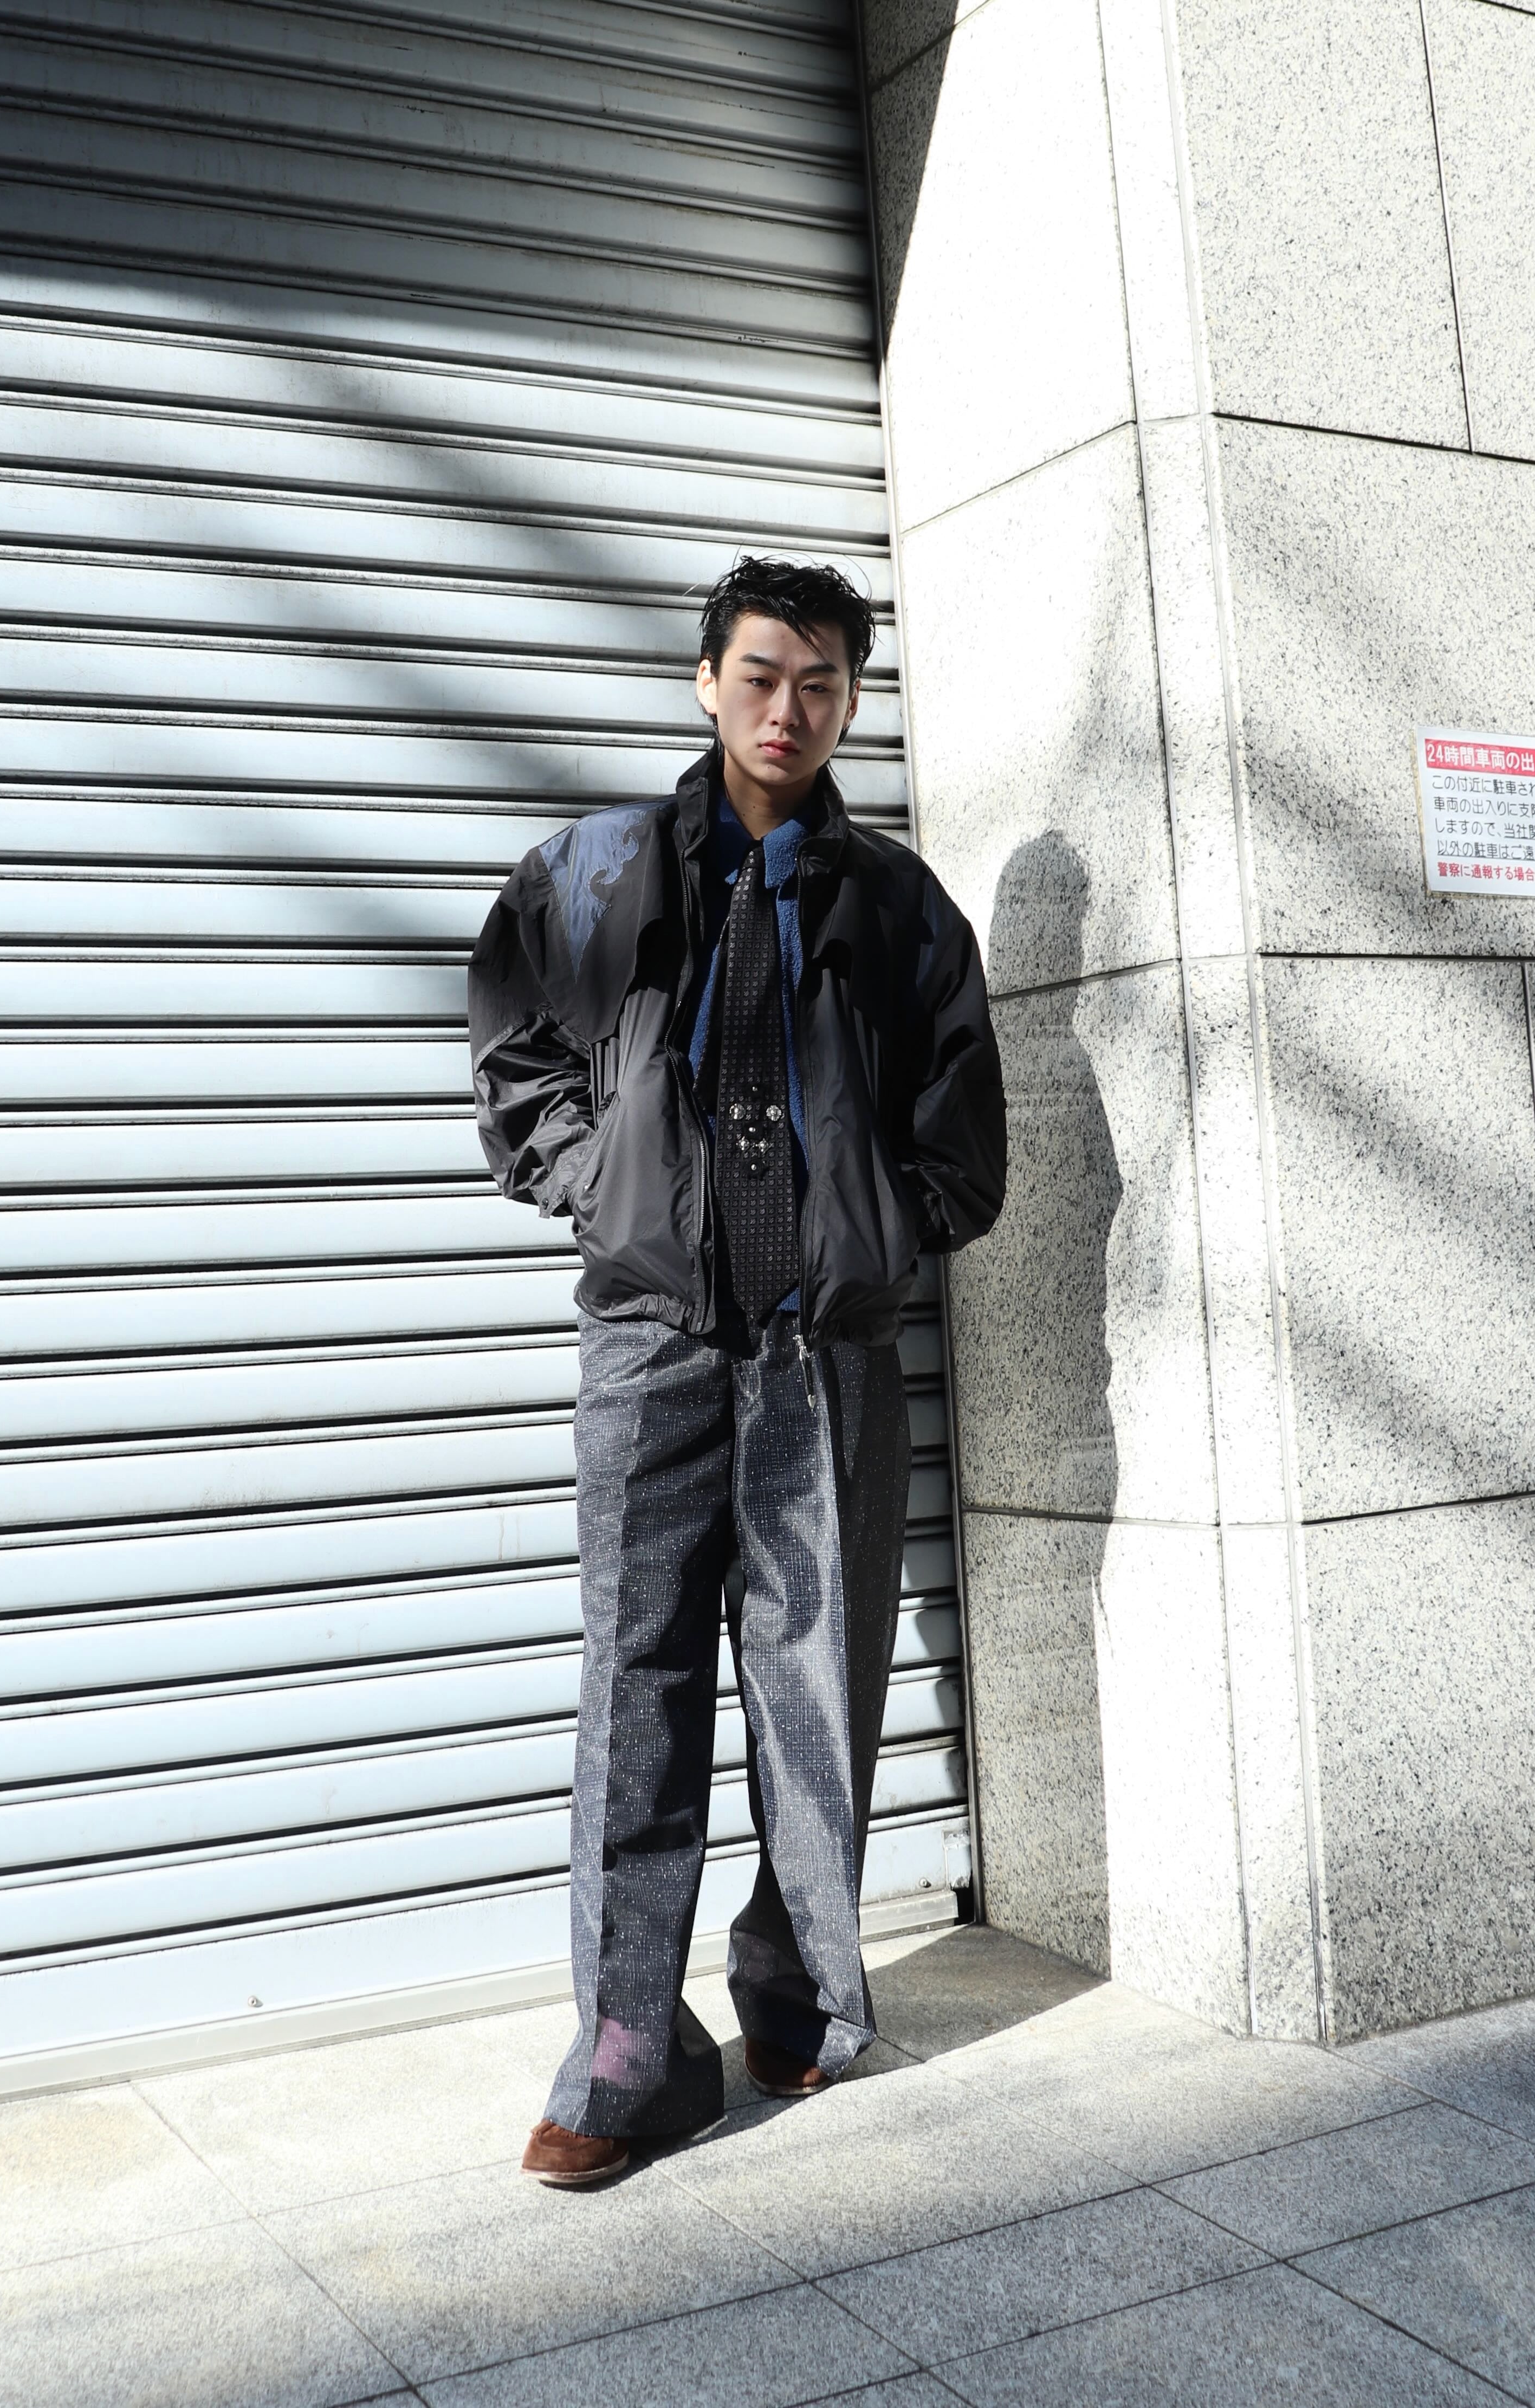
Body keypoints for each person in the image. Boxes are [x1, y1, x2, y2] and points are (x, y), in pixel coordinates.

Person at [467, 556, 1005, 2186]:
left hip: (825, 1351)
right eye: (763, 675)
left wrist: (870, 1233)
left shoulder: (898, 906)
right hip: (651, 1337)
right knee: (636, 1684)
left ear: (849, 703)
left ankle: (797, 1986)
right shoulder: (594, 871)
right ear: (708, 682)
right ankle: (628, 2046)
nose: (791, 709)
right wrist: (611, 1189)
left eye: (823, 684)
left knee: (817, 1680)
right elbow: (514, 1057)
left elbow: (963, 1141)